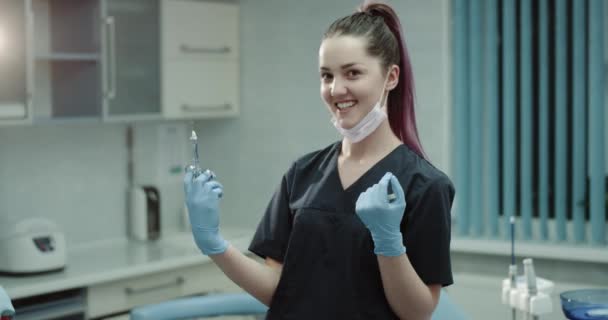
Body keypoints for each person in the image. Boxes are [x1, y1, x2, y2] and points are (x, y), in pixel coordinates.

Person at [183, 2, 455, 319]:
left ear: (391, 77)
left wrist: (388, 242)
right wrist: (213, 243)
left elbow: (417, 313)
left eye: (353, 73)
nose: (336, 89)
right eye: (327, 76)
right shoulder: (303, 173)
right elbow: (277, 288)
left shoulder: (424, 186)